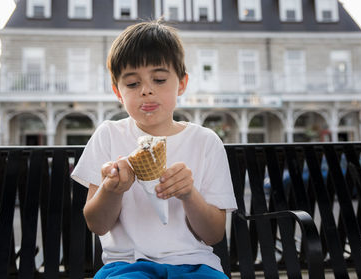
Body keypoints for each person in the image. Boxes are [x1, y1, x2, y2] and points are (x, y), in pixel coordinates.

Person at [71, 19, 237, 279]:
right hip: (127, 265)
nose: (146, 91)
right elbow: (97, 224)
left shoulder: (206, 141)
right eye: (133, 84)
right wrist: (112, 190)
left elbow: (214, 234)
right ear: (117, 91)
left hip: (195, 264)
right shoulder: (108, 135)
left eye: (159, 79)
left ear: (181, 83)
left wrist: (189, 194)